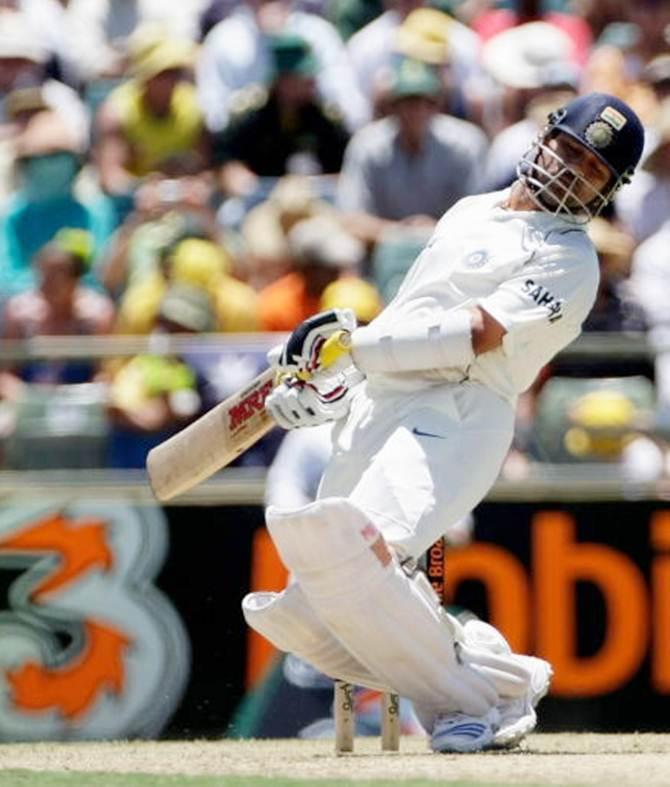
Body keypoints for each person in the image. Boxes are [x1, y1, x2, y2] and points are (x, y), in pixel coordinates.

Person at [242, 92, 645, 753]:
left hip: (460, 413)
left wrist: (353, 348)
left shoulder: (571, 259)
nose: (571, 168)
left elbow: (476, 335)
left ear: (609, 190)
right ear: (543, 138)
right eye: (568, 148)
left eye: (592, 168)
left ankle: (466, 702)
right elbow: (410, 314)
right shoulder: (469, 211)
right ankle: (495, 670)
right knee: (309, 608)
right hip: (383, 402)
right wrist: (333, 386)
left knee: (352, 548)